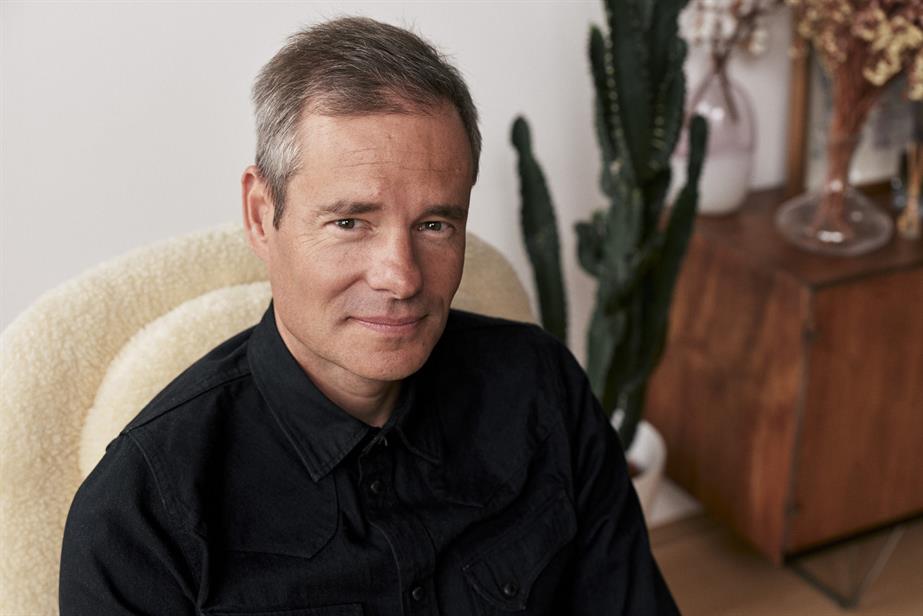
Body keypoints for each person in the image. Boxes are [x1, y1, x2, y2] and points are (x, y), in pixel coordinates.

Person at [59, 16, 678, 615]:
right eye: (349, 222)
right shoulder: (137, 516)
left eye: (435, 225)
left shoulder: (542, 388)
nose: (402, 277)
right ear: (259, 215)